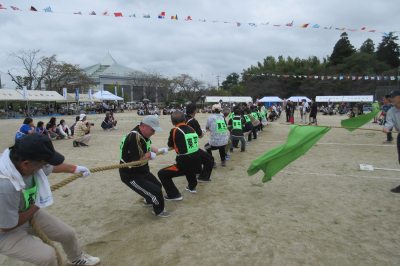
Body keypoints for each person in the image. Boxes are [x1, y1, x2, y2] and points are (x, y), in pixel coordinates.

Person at [0, 134, 100, 266]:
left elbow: (50, 167)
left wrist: (74, 169)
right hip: (6, 231)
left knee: (67, 234)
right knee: (47, 257)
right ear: (26, 164)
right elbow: (7, 226)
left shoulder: (24, 160)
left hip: (27, 211)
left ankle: (76, 259)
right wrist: (37, 203)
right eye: (43, 163)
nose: (45, 167)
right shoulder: (5, 186)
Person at [119, 115, 170, 217]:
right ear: (143, 126)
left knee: (157, 185)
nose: (153, 133)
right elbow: (136, 160)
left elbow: (147, 146)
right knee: (156, 192)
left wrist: (158, 150)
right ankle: (158, 211)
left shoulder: (142, 134)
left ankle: (148, 199)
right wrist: (149, 155)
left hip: (142, 170)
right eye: (152, 130)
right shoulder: (134, 137)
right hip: (131, 174)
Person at [158, 111, 201, 199]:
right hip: (197, 158)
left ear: (172, 122)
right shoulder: (191, 128)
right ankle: (192, 186)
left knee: (162, 173)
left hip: (185, 162)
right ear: (185, 120)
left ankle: (174, 195)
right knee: (190, 166)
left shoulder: (174, 130)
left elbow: (170, 144)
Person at [185, 103, 214, 182]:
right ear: (195, 111)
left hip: (182, 146)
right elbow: (200, 136)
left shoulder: (182, 119)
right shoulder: (193, 121)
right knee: (210, 159)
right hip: (191, 146)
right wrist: (202, 132)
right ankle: (203, 177)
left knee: (199, 157)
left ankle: (197, 171)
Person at [382, 90, 400, 193]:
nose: (391, 99)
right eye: (390, 97)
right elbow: (389, 122)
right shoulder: (391, 111)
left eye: (394, 96)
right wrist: (386, 128)